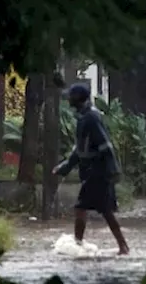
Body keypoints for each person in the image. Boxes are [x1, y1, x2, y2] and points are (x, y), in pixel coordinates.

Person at [52, 83, 131, 255]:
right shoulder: (83, 117)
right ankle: (122, 247)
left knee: (82, 208)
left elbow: (106, 145)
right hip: (92, 172)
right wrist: (65, 167)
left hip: (99, 172)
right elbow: (79, 149)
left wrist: (113, 170)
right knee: (105, 210)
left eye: (71, 97)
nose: (68, 100)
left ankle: (79, 244)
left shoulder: (92, 118)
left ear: (78, 99)